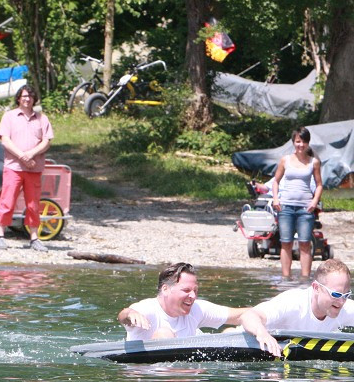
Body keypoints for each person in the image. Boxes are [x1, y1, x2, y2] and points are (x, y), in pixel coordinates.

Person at [240, 259, 354, 357]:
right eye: (336, 294)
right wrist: (263, 334)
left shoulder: (345, 308)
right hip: (248, 340)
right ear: (316, 288)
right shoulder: (293, 302)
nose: (341, 301)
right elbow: (248, 315)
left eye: (346, 295)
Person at [117, 262, 246, 340]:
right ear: (166, 289)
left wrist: (264, 315)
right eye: (186, 290)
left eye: (195, 290)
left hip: (186, 374)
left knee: (231, 333)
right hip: (150, 378)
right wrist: (130, 314)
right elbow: (124, 315)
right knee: (164, 334)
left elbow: (241, 315)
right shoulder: (147, 310)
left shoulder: (197, 309)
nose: (193, 296)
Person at [0, 84, 53, 252]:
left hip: (34, 168)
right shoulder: (9, 116)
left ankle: (34, 238)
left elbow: (47, 141)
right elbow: (5, 140)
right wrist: (22, 156)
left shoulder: (42, 118)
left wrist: (31, 155)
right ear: (18, 98)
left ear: (34, 99)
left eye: (30, 96)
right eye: (24, 96)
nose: (27, 99)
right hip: (13, 167)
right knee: (7, 200)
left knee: (33, 204)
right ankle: (0, 236)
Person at [271, 126, 324, 280]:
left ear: (308, 143)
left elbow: (319, 184)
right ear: (293, 142)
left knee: (305, 244)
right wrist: (275, 198)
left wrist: (315, 201)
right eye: (298, 141)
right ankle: (286, 278)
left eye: (304, 142)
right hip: (286, 206)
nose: (301, 145)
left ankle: (305, 279)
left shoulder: (313, 162)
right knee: (286, 243)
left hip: (305, 208)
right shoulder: (285, 160)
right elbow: (276, 181)